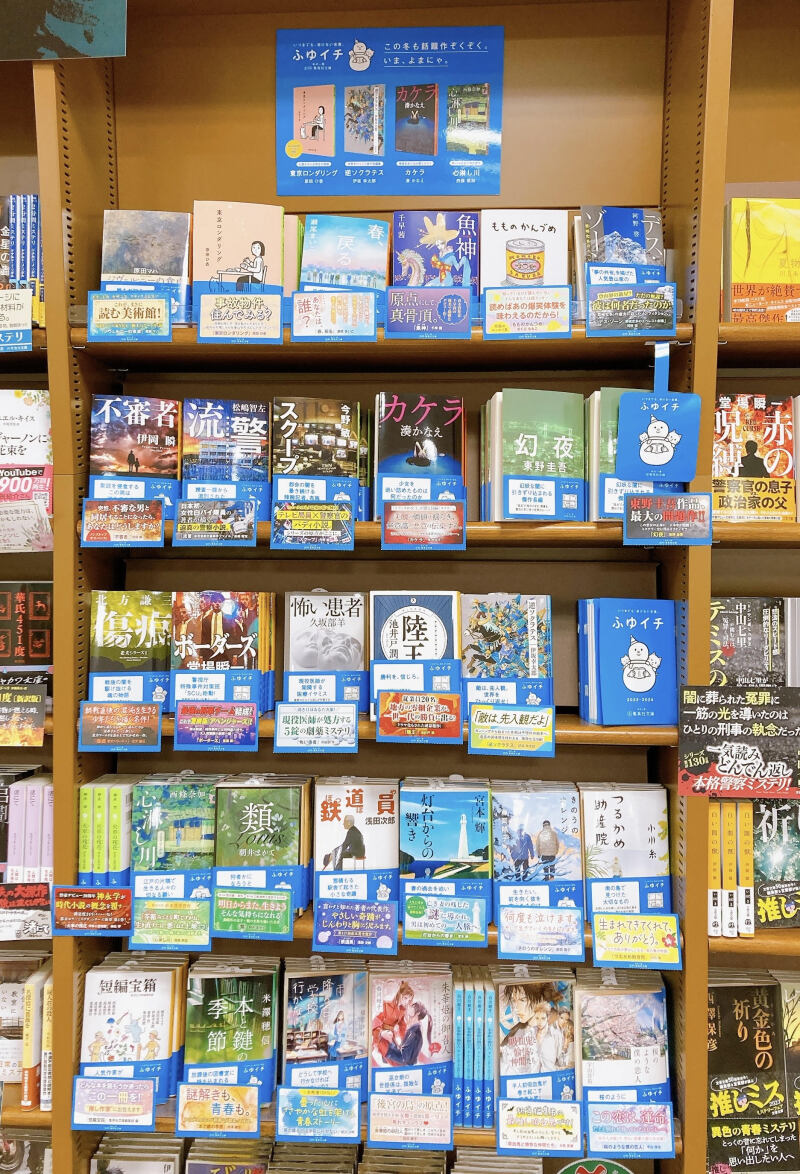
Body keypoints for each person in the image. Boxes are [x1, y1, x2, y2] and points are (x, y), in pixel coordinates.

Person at [372, 980, 414, 1062]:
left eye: (409, 1000)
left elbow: (402, 1027)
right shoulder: (386, 1005)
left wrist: (404, 1042)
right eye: (405, 998)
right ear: (399, 994)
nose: (406, 1002)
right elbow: (374, 1023)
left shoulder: (402, 1009)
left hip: (392, 1038)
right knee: (396, 1059)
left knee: (405, 1057)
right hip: (381, 1038)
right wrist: (381, 1033)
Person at [383, 1001, 432, 1067]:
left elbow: (404, 1058)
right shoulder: (412, 1029)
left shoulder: (414, 1032)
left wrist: (390, 1041)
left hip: (406, 1068)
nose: (409, 1007)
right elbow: (403, 1051)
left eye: (412, 1006)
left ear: (418, 1013)